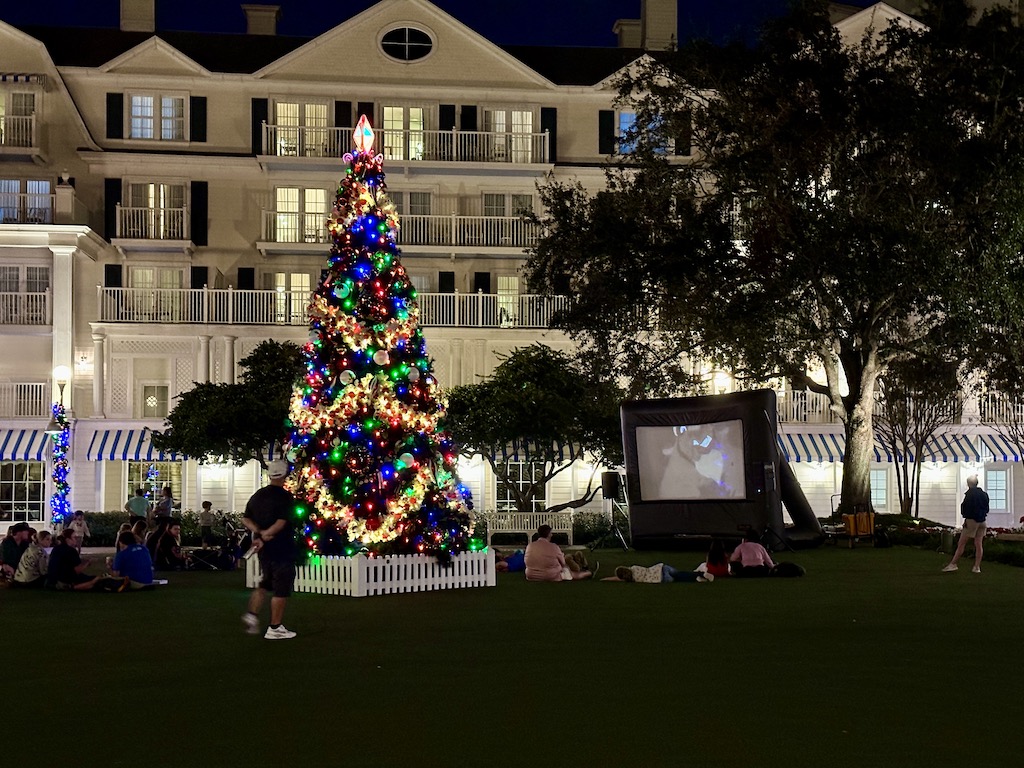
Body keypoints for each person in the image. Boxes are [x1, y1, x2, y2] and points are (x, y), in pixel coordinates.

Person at [241, 460, 298, 640]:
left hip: (263, 548)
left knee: (265, 581)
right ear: (283, 476)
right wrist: (267, 533)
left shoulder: (258, 496)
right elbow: (281, 522)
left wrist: (258, 532)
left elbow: (245, 519)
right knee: (281, 587)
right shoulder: (285, 497)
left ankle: (252, 614)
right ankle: (275, 627)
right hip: (281, 546)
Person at [943, 474, 990, 574]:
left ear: (969, 484)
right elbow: (986, 508)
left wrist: (966, 518)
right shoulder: (984, 494)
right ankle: (977, 567)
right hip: (982, 521)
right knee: (979, 544)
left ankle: (953, 564)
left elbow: (966, 508)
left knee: (962, 543)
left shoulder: (970, 495)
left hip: (972, 521)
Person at [524, 524, 594, 581]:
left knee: (570, 558)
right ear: (549, 534)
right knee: (572, 574)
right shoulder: (554, 547)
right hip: (550, 575)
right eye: (551, 533)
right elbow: (563, 563)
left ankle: (581, 564)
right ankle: (588, 573)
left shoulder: (530, 546)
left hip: (530, 575)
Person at [603, 563, 713, 583]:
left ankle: (697, 577)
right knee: (679, 573)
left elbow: (617, 579)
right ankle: (699, 574)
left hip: (661, 579)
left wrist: (605, 579)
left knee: (679, 578)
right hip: (662, 568)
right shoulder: (634, 567)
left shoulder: (633, 580)